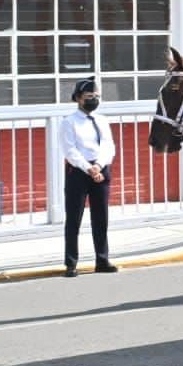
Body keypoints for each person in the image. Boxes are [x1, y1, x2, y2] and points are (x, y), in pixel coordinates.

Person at [59, 78, 118, 276]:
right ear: (78, 98)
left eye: (96, 96)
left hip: (101, 170)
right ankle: (71, 263)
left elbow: (108, 146)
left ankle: (102, 260)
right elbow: (70, 150)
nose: (93, 99)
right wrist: (89, 169)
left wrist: (99, 166)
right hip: (79, 172)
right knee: (74, 218)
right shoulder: (69, 122)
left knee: (101, 218)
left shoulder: (102, 120)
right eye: (88, 97)